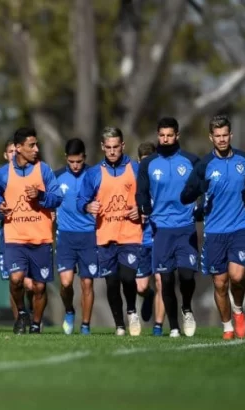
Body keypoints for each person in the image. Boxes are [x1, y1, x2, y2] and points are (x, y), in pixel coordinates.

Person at [181, 115, 245, 339]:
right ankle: (227, 327)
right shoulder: (204, 165)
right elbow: (185, 196)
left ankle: (238, 310)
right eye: (218, 136)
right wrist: (199, 189)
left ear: (231, 135)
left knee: (237, 276)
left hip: (240, 226)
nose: (222, 139)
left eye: (225, 135)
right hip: (214, 231)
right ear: (211, 137)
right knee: (220, 283)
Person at [0, 127, 61, 334]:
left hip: (41, 237)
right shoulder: (3, 173)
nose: (36, 149)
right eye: (32, 145)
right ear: (18, 148)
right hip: (15, 237)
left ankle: (36, 325)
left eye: (37, 144)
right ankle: (21, 313)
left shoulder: (44, 170)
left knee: (39, 287)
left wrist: (40, 195)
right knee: (16, 279)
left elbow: (57, 198)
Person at [137, 118, 204, 338]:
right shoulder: (149, 164)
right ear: (158, 135)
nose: (165, 139)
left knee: (186, 276)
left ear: (177, 136)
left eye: (170, 135)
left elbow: (205, 187)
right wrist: (144, 205)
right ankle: (174, 326)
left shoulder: (191, 161)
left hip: (185, 228)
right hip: (162, 229)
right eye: (162, 135)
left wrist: (200, 208)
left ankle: (187, 309)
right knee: (165, 280)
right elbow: (142, 191)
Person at [77, 127, 142, 336]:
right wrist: (88, 207)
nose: (113, 151)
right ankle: (119, 325)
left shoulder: (136, 169)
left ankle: (132, 312)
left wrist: (140, 210)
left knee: (128, 278)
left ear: (123, 146)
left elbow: (149, 197)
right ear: (102, 147)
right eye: (109, 148)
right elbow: (80, 200)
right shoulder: (94, 173)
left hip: (130, 234)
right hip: (105, 236)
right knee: (111, 283)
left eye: (116, 147)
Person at [0, 139, 35, 321]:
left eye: (17, 150)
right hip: (9, 236)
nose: (15, 154)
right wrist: (2, 212)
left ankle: (34, 314)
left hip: (33, 234)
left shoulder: (36, 172)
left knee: (31, 284)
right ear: (6, 155)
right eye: (10, 151)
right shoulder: (0, 177)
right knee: (15, 281)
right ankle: (19, 320)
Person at [53, 138, 98, 335]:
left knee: (87, 283)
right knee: (65, 282)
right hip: (66, 236)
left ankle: (85, 326)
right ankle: (69, 310)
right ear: (66, 159)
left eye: (79, 161)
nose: (75, 166)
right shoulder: (56, 177)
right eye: (71, 162)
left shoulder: (94, 175)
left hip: (89, 236)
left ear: (84, 158)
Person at [135, 141, 166, 336]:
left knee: (161, 279)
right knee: (141, 287)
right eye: (143, 162)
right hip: (140, 240)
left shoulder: (162, 181)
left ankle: (158, 326)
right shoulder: (133, 182)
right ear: (138, 162)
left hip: (160, 237)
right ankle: (148, 296)